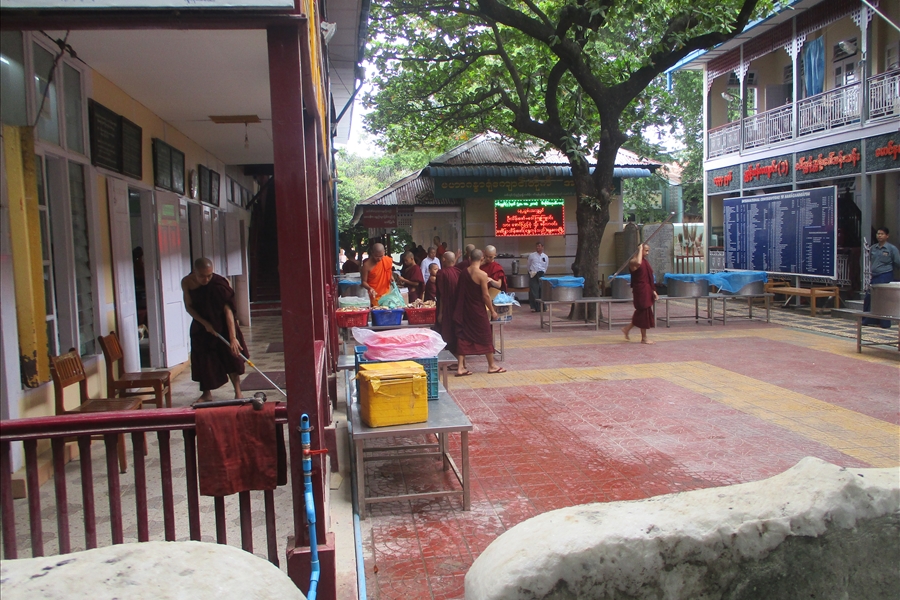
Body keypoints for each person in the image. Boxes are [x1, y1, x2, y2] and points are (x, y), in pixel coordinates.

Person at [182, 257, 248, 401]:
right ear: (194, 272)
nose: (206, 280)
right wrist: (204, 323)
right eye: (202, 276)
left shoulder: (220, 283)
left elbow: (228, 312)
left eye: (209, 275)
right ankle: (206, 393)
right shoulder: (186, 282)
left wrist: (232, 338)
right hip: (201, 324)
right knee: (202, 359)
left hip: (223, 323)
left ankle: (238, 392)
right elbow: (189, 307)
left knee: (231, 356)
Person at [453, 249, 507, 375]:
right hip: (477, 310)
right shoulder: (482, 275)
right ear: (482, 259)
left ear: (469, 258)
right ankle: (491, 365)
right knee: (486, 335)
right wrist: (492, 311)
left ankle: (460, 367)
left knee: (463, 336)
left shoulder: (464, 272)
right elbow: (486, 296)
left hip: (465, 309)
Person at [862, 227, 900, 328]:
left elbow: (897, 262)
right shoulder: (873, 248)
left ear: (887, 236)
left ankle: (884, 323)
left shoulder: (891, 249)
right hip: (875, 275)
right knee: (869, 297)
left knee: (884, 299)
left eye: (882, 234)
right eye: (878, 234)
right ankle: (868, 320)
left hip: (885, 275)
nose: (879, 236)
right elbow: (871, 260)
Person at [621, 244, 658, 344]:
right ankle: (644, 338)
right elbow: (638, 263)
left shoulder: (645, 262)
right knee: (642, 311)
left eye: (648, 250)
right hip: (640, 290)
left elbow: (649, 278)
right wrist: (640, 248)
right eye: (646, 250)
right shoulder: (633, 261)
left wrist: (653, 291)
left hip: (646, 289)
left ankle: (627, 329)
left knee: (642, 312)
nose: (647, 253)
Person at [435, 251, 461, 356]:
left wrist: (440, 313)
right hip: (457, 307)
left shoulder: (441, 273)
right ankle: (456, 356)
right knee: (455, 332)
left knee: (446, 332)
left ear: (444, 259)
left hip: (446, 307)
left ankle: (450, 356)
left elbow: (442, 295)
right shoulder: (458, 272)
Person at [527, 242, 549, 311]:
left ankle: (543, 307)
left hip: (541, 274)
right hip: (533, 273)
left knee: (541, 290)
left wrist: (543, 272)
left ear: (542, 247)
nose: (538, 248)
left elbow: (546, 265)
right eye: (537, 246)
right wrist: (530, 272)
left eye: (539, 246)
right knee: (534, 290)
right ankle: (534, 307)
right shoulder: (532, 255)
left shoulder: (545, 256)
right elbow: (528, 264)